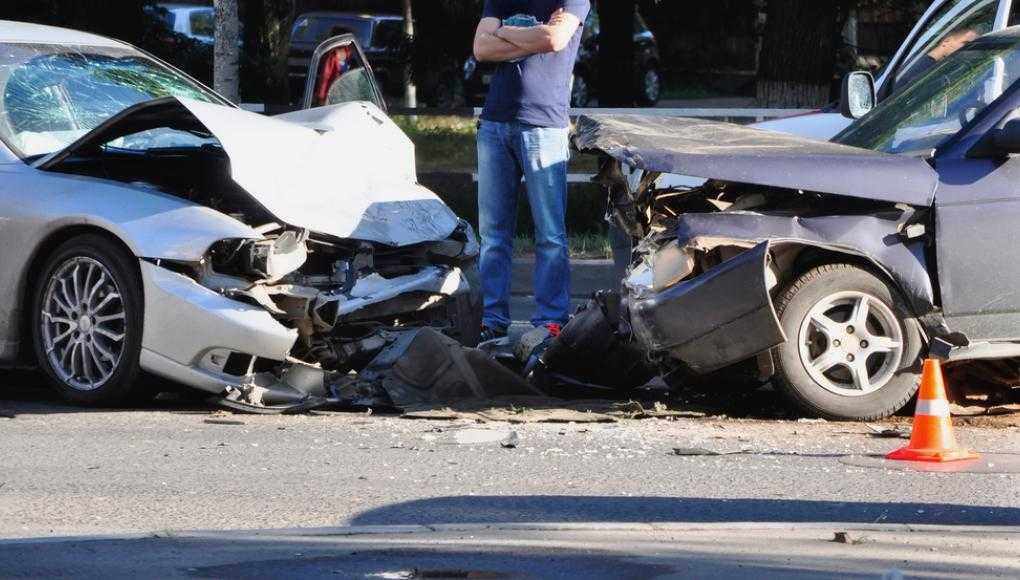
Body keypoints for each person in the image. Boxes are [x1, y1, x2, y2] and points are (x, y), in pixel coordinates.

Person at [472, 0, 591, 341]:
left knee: (550, 234)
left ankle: (550, 322)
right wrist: (532, 35)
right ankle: (491, 321)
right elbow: (481, 48)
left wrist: (505, 32)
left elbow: (554, 40)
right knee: (493, 235)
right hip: (495, 124)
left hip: (544, 127)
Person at [896, 27, 980, 90]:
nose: (969, 49)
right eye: (966, 44)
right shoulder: (918, 68)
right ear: (946, 41)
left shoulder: (940, 66)